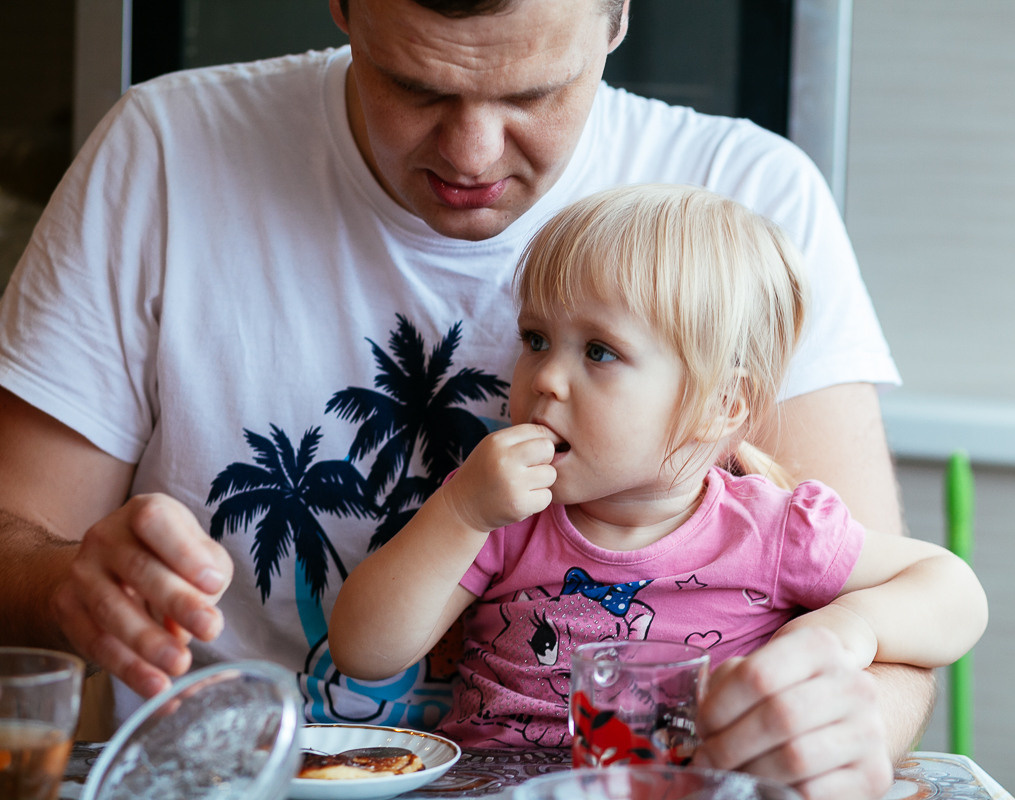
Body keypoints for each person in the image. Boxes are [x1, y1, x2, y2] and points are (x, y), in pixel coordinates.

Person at [0, 0, 924, 796]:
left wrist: (842, 727)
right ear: (344, 6)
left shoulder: (750, 201)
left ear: (618, 16)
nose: (472, 154)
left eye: (533, 95)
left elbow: (902, 634)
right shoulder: (162, 153)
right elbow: (18, 542)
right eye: (416, 88)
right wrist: (70, 580)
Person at [328, 184, 987, 757]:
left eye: (598, 351)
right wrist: (461, 514)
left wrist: (851, 629)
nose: (546, 378)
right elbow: (364, 650)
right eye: (535, 339)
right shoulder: (499, 509)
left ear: (721, 405)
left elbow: (955, 593)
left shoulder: (771, 530)